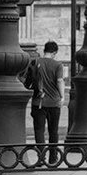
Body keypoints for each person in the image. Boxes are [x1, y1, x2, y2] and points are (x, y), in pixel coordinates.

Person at [27, 33, 66, 167]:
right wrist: (62, 96)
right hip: (54, 102)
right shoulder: (58, 65)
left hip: (38, 102)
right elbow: (60, 81)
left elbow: (28, 82)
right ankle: (53, 158)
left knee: (39, 130)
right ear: (54, 52)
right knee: (53, 131)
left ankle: (41, 157)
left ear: (44, 50)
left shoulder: (34, 62)